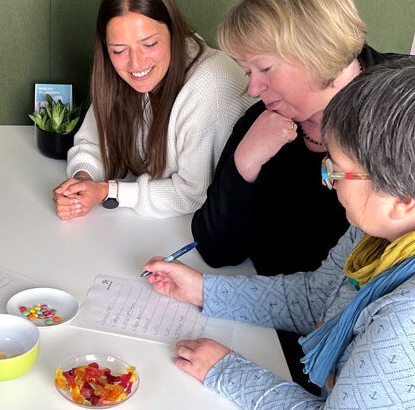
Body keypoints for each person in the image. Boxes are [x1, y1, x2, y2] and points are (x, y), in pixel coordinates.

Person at [189, 0, 410, 392]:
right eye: (246, 70)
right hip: (272, 327)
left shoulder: (396, 122)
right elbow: (219, 249)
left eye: (264, 69)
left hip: (341, 362)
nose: (252, 88)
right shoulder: (265, 119)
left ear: (317, 54)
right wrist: (244, 161)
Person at [145, 57, 415, 408]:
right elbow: (315, 298)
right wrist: (203, 289)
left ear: (402, 201)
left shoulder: (404, 318)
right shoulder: (376, 233)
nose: (328, 183)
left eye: (337, 173)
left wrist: (226, 370)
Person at [52, 0, 254, 220]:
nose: (135, 63)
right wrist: (82, 181)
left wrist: (108, 191)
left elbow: (191, 194)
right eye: (118, 50)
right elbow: (92, 144)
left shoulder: (209, 83)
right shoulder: (116, 72)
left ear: (174, 31)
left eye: (149, 44)